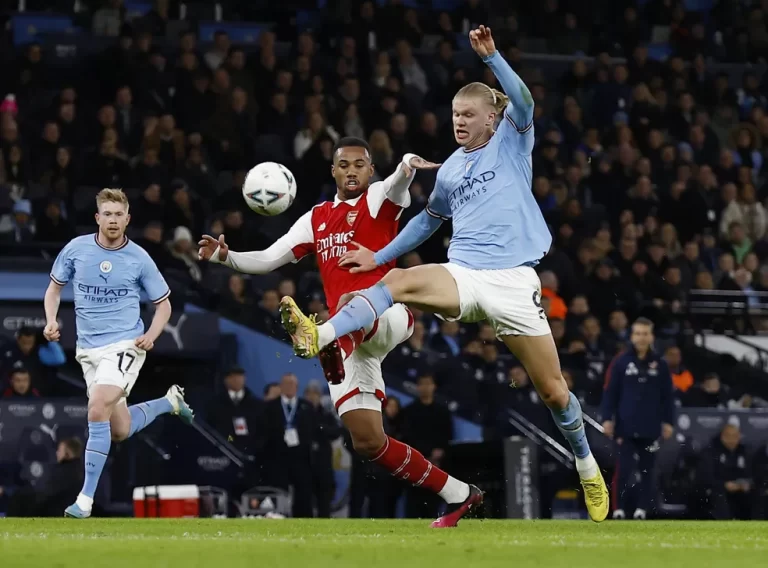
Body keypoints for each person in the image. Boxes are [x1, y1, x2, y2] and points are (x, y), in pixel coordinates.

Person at [279, 26, 609, 522]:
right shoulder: (450, 169)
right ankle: (320, 332)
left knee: (554, 391)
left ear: (491, 118)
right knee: (396, 282)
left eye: (468, 114)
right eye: (455, 114)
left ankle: (586, 463)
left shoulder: (514, 143)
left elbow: (524, 99)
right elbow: (428, 221)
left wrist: (493, 57)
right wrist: (379, 254)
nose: (459, 121)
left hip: (516, 282)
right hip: (466, 275)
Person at [198, 138, 482, 527]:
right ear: (333, 171)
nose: (352, 171)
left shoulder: (379, 200)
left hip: (389, 316)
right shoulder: (315, 218)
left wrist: (405, 167)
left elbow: (397, 187)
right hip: (349, 337)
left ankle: (323, 340)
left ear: (370, 170)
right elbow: (267, 259)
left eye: (360, 165)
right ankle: (460, 494)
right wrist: (224, 256)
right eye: (344, 165)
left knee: (351, 299)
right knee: (368, 442)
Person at [43, 188, 195, 519]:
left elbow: (164, 305)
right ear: (98, 217)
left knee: (97, 407)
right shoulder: (76, 250)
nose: (113, 220)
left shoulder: (139, 257)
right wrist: (51, 320)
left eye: (118, 215)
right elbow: (54, 288)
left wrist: (151, 335)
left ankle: (85, 500)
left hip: (125, 344)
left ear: (128, 219)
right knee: (119, 429)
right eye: (107, 214)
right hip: (88, 350)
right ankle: (169, 402)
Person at [601, 317, 675, 520]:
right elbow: (610, 392)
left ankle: (642, 509)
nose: (642, 338)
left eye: (645, 334)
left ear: (651, 336)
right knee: (622, 469)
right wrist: (607, 418)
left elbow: (667, 396)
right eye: (638, 334)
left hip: (651, 427)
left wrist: (668, 422)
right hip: (625, 426)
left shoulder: (660, 364)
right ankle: (618, 509)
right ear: (632, 336)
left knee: (647, 470)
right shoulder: (621, 362)